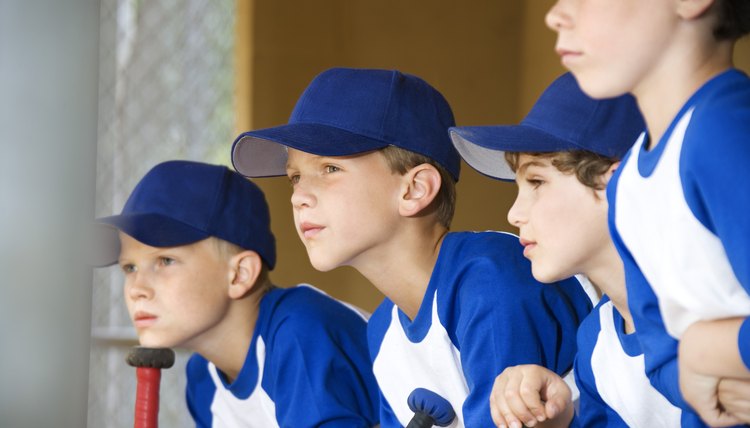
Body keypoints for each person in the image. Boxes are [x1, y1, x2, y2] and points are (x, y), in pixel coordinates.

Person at [230, 67, 592, 427]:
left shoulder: (489, 280)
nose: (299, 198)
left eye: (329, 169)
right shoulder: (384, 330)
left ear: (414, 189)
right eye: (295, 177)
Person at [545, 0, 750, 426]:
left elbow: (682, 345)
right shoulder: (628, 183)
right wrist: (689, 372)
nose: (555, 16)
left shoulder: (725, 130)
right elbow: (658, 350)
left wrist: (701, 348)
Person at [451, 72, 685, 427]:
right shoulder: (596, 340)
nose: (514, 214)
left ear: (616, 183)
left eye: (536, 182)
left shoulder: (711, 312)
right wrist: (559, 422)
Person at [94, 160, 379, 427]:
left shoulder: (299, 334)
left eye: (165, 261)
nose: (136, 290)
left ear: (240, 274)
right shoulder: (203, 377)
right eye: (129, 268)